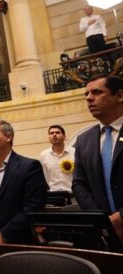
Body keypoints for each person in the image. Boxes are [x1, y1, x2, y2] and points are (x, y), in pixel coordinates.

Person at [0, 119, 48, 244]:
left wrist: (4, 235)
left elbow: (33, 207)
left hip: (20, 240)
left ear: (8, 137)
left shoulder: (30, 166)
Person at [72, 75, 123, 243]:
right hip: (105, 234)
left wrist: (121, 217)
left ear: (119, 96)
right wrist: (100, 219)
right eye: (86, 94)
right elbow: (79, 183)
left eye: (96, 92)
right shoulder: (83, 140)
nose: (89, 98)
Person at [38, 125, 75, 192]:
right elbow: (45, 176)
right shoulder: (44, 155)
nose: (54, 135)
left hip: (73, 193)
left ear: (64, 137)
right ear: (49, 137)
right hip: (53, 194)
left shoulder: (74, 152)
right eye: (51, 133)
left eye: (57, 132)